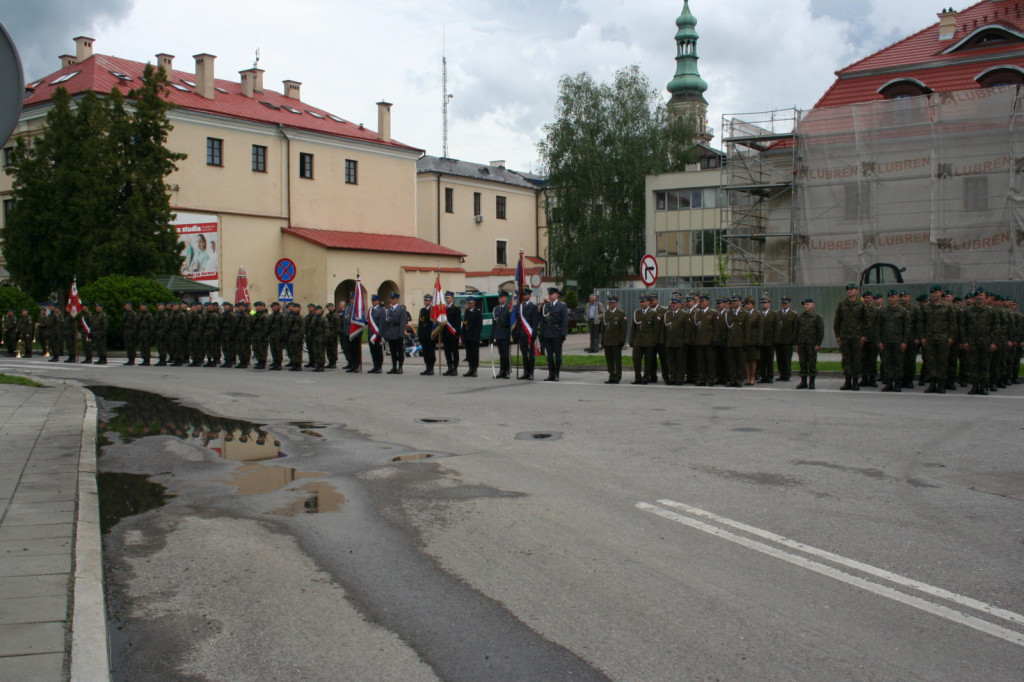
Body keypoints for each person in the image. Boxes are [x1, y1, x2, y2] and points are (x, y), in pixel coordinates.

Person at [919, 285, 956, 393]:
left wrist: (951, 337)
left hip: (943, 338)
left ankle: (941, 384)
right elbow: (922, 323)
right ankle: (932, 383)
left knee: (942, 362)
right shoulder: (926, 307)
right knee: (931, 362)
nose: (934, 295)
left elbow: (952, 323)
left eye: (936, 293)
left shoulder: (948, 306)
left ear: (941, 293)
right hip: (930, 338)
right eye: (932, 293)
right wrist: (923, 337)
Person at [834, 283, 868, 390]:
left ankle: (855, 381)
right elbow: (837, 321)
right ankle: (847, 381)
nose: (850, 291)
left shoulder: (861, 305)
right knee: (846, 359)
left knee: (857, 359)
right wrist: (838, 335)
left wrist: (864, 335)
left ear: (856, 291)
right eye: (848, 289)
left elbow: (866, 321)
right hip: (845, 336)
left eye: (852, 289)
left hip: (856, 337)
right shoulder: (842, 304)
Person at [876, 290, 910, 392]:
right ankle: (889, 383)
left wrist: (905, 341)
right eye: (890, 297)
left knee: (898, 363)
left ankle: (897, 383)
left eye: (893, 297)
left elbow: (907, 327)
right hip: (886, 341)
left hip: (898, 341)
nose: (891, 299)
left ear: (897, 298)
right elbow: (879, 326)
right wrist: (879, 341)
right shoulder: (884, 311)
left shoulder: (903, 311)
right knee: (887, 363)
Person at [796, 298, 823, 389]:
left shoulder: (817, 317)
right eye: (805, 304)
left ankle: (812, 382)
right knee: (802, 363)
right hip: (802, 343)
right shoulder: (800, 317)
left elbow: (820, 332)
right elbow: (796, 331)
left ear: (812, 305)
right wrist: (796, 344)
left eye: (808, 304)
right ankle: (803, 381)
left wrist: (818, 344)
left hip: (812, 344)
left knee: (812, 363)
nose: (806, 306)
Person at [693, 295, 720, 386]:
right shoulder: (698, 313)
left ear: (708, 302)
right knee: (701, 362)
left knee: (710, 362)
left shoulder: (713, 313)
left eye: (703, 301)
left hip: (709, 341)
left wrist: (715, 340)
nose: (701, 303)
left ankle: (711, 379)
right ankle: (702, 378)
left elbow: (716, 328)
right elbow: (695, 328)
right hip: (700, 341)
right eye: (700, 301)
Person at [630, 295, 657, 384]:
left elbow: (655, 328)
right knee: (636, 360)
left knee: (648, 361)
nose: (642, 304)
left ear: (648, 303)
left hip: (648, 341)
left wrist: (654, 341)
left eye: (644, 302)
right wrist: (632, 340)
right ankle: (638, 378)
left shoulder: (652, 313)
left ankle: (646, 378)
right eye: (641, 302)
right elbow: (633, 327)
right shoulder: (637, 312)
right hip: (638, 340)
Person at [601, 295, 627, 384]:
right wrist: (602, 340)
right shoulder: (606, 313)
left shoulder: (620, 314)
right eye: (609, 303)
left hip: (616, 341)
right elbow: (603, 328)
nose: (610, 304)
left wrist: (622, 340)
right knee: (609, 360)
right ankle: (611, 375)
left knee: (617, 360)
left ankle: (618, 376)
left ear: (616, 303)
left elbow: (623, 329)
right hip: (607, 341)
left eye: (612, 303)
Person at [514, 288, 539, 380]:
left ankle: (531, 373)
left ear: (529, 296)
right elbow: (518, 321)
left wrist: (534, 333)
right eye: (523, 295)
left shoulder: (533, 306)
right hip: (521, 334)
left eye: (526, 295)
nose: (524, 296)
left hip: (529, 334)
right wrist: (516, 333)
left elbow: (535, 321)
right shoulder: (520, 307)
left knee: (531, 354)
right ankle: (525, 372)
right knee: (524, 354)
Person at [664, 295, 688, 385]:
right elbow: (664, 329)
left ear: (680, 305)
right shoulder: (668, 314)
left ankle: (680, 378)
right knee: (671, 361)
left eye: (675, 303)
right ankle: (672, 378)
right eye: (672, 303)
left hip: (680, 341)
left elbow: (687, 329)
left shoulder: (684, 314)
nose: (673, 305)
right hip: (669, 341)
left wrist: (686, 341)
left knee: (680, 362)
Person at [722, 295, 745, 387]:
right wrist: (724, 339)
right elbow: (725, 329)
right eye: (732, 301)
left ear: (740, 302)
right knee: (731, 362)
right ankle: (732, 379)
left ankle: (739, 379)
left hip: (740, 341)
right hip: (730, 341)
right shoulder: (727, 313)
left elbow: (746, 329)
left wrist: (746, 341)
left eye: (736, 301)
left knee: (740, 362)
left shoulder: (744, 313)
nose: (734, 303)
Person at [383, 292, 407, 374]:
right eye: (391, 299)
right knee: (392, 351)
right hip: (390, 332)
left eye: (393, 299)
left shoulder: (401, 310)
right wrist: (386, 333)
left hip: (397, 332)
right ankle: (394, 366)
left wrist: (401, 334)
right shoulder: (389, 309)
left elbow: (403, 322)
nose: (391, 300)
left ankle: (400, 367)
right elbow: (387, 322)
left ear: (397, 299)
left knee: (399, 351)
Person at [775, 297, 797, 381]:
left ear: (789, 304)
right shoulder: (777, 313)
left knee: (787, 358)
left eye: (785, 303)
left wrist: (794, 340)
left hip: (788, 340)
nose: (784, 305)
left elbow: (795, 328)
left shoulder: (793, 314)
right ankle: (782, 374)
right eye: (782, 303)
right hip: (779, 340)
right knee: (779, 358)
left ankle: (787, 374)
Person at [492, 290, 512, 379]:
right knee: (501, 353)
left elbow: (511, 323)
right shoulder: (496, 308)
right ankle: (501, 371)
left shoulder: (509, 308)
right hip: (498, 332)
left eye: (502, 297)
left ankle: (507, 371)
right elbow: (494, 322)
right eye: (499, 297)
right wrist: (492, 334)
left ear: (506, 298)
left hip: (505, 332)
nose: (500, 299)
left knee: (506, 353)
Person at [757, 297, 777, 383]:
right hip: (761, 341)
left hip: (770, 341)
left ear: (769, 304)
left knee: (769, 360)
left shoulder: (774, 314)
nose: (763, 304)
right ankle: (763, 376)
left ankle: (769, 376)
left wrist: (775, 340)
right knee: (761, 361)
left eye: (765, 303)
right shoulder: (758, 314)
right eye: (762, 303)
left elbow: (776, 328)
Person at [441, 291, 461, 376]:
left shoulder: (456, 308)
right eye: (446, 298)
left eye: (448, 297)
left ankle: (455, 369)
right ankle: (449, 368)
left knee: (454, 352)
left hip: (453, 334)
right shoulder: (444, 309)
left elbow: (458, 323)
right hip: (446, 334)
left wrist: (457, 334)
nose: (447, 299)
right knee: (447, 352)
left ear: (452, 298)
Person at [462, 296, 483, 377]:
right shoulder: (467, 311)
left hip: (474, 337)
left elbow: (479, 326)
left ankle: (475, 369)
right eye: (468, 303)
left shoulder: (477, 312)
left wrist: (476, 336)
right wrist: (463, 335)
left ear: (474, 303)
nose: (468, 304)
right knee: (469, 354)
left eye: (470, 303)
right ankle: (470, 368)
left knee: (474, 354)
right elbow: (464, 324)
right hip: (467, 336)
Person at [417, 294, 437, 375]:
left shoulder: (433, 310)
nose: (426, 302)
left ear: (431, 301)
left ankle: (431, 368)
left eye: (427, 300)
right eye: (425, 300)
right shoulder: (422, 310)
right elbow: (420, 323)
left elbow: (435, 324)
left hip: (430, 335)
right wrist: (419, 334)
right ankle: (427, 367)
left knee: (430, 352)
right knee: (425, 352)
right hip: (423, 335)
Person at [367, 295, 386, 373]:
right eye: (372, 300)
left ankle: (379, 367)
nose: (373, 302)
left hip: (377, 334)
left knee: (378, 352)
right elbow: (368, 321)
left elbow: (382, 323)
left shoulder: (381, 310)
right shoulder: (370, 310)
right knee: (373, 352)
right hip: (370, 334)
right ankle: (375, 366)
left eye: (374, 300)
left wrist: (379, 334)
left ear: (378, 301)